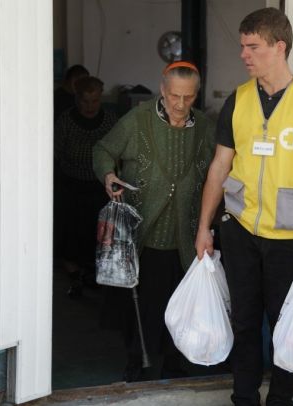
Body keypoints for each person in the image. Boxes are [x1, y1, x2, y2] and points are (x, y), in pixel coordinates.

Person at [195, 8, 293, 406]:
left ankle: (281, 400)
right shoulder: (238, 100)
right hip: (239, 230)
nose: (244, 54)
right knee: (243, 321)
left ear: (279, 47)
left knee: (287, 327)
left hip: (291, 237)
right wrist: (204, 227)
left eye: (253, 46)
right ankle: (244, 397)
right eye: (243, 46)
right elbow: (219, 166)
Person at [92, 61, 215, 381]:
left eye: (189, 97)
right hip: (144, 234)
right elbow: (103, 150)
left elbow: (220, 170)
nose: (181, 104)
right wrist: (108, 175)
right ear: (162, 89)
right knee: (144, 306)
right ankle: (137, 365)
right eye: (174, 95)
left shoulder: (205, 127)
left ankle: (174, 365)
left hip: (187, 236)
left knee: (184, 306)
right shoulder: (139, 120)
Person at [54, 76, 118, 297]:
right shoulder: (66, 121)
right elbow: (56, 153)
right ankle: (75, 275)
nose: (90, 106)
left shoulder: (110, 121)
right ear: (77, 99)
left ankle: (95, 273)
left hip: (100, 188)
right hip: (71, 187)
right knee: (72, 234)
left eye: (95, 101)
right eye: (85, 101)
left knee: (99, 234)